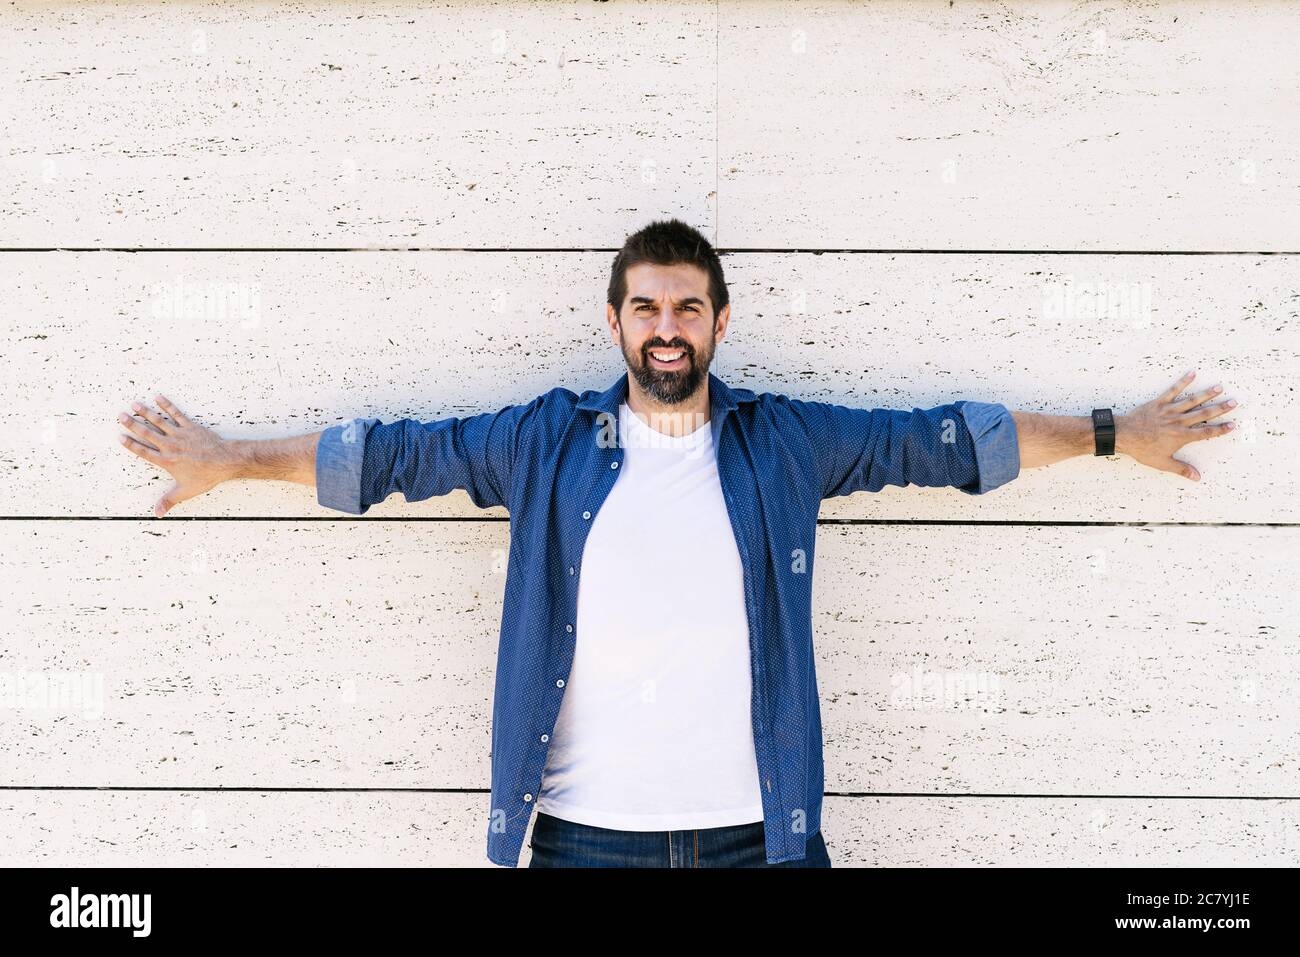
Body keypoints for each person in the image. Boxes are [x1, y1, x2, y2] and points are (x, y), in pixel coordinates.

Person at [116, 219, 1237, 868]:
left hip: (761, 836)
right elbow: (396, 456)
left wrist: (1107, 433)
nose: (665, 329)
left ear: (717, 323)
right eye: (646, 309)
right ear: (614, 324)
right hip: (584, 840)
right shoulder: (543, 443)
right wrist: (234, 458)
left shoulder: (784, 443)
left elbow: (940, 442)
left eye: (687, 309)